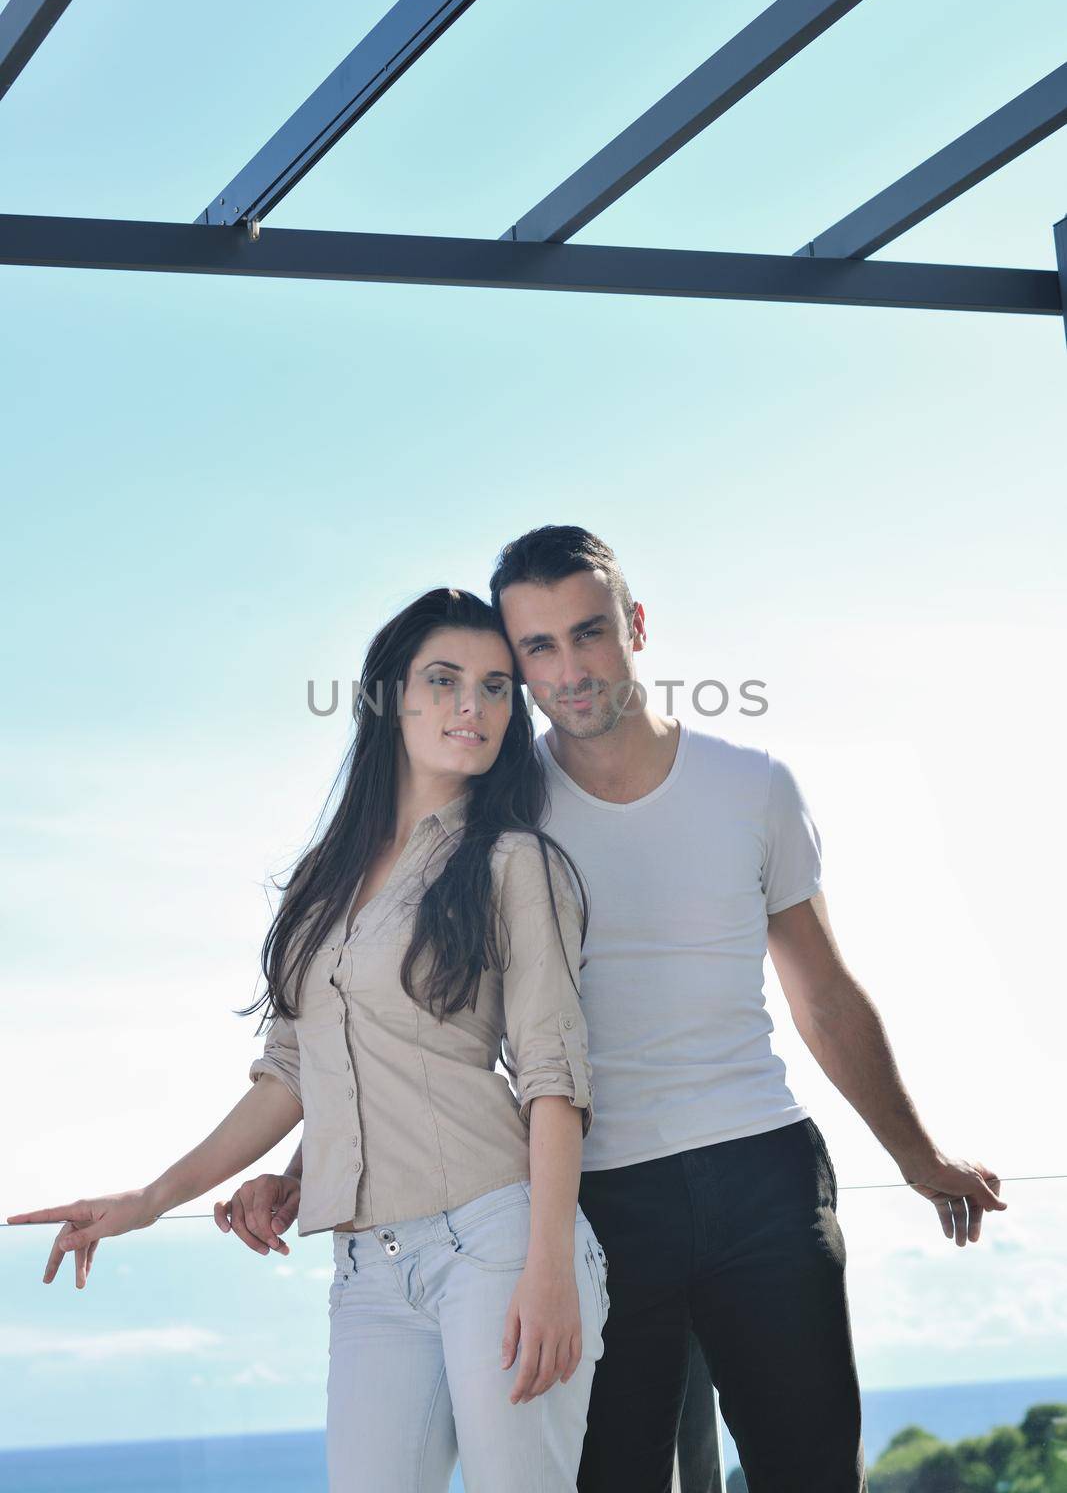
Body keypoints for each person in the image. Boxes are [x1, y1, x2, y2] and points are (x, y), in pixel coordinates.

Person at [216, 526, 1009, 1493]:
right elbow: (405, 1024)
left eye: (588, 633)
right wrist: (311, 1162)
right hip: (588, 1200)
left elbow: (824, 995)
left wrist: (916, 1157)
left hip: (759, 1170)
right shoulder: (497, 819)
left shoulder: (752, 784)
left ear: (634, 625)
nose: (570, 668)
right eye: (537, 650)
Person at [5, 586, 612, 1493]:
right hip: (366, 1268)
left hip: (499, 1241)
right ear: (387, 699)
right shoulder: (322, 885)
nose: (471, 708)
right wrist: (153, 1197)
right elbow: (293, 1071)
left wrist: (550, 1267)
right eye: (442, 681)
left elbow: (553, 1080)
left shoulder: (511, 863)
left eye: (494, 689)